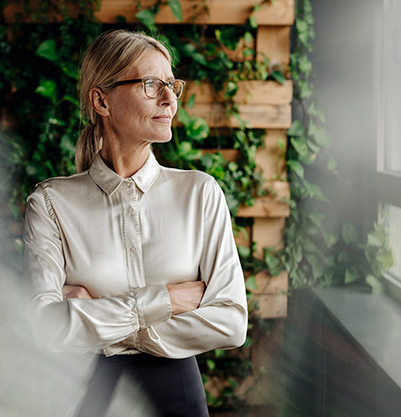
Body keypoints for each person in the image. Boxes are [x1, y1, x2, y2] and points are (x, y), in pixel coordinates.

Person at [21, 30, 248, 416]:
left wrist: (100, 320)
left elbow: (230, 322)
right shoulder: (50, 203)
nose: (169, 99)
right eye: (150, 84)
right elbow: (43, 328)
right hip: (83, 395)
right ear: (101, 101)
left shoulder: (200, 193)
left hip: (177, 395)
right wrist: (170, 300)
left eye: (171, 84)